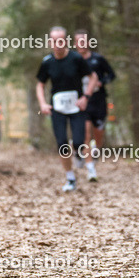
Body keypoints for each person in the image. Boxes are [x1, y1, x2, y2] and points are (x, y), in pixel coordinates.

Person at [36, 27, 98, 191]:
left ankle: (79, 154)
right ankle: (70, 178)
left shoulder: (76, 58)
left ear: (66, 41)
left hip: (76, 107)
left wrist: (86, 97)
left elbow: (93, 77)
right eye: (54, 41)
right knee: (62, 143)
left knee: (79, 142)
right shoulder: (47, 62)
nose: (57, 44)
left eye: (61, 40)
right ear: (50, 42)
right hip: (58, 109)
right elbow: (40, 85)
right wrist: (43, 103)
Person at [74, 29, 116, 182]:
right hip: (82, 102)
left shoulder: (98, 59)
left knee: (99, 132)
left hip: (98, 101)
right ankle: (90, 168)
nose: (82, 44)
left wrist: (101, 82)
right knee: (85, 134)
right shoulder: (73, 60)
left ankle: (96, 150)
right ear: (75, 43)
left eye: (84, 41)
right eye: (79, 42)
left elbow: (111, 74)